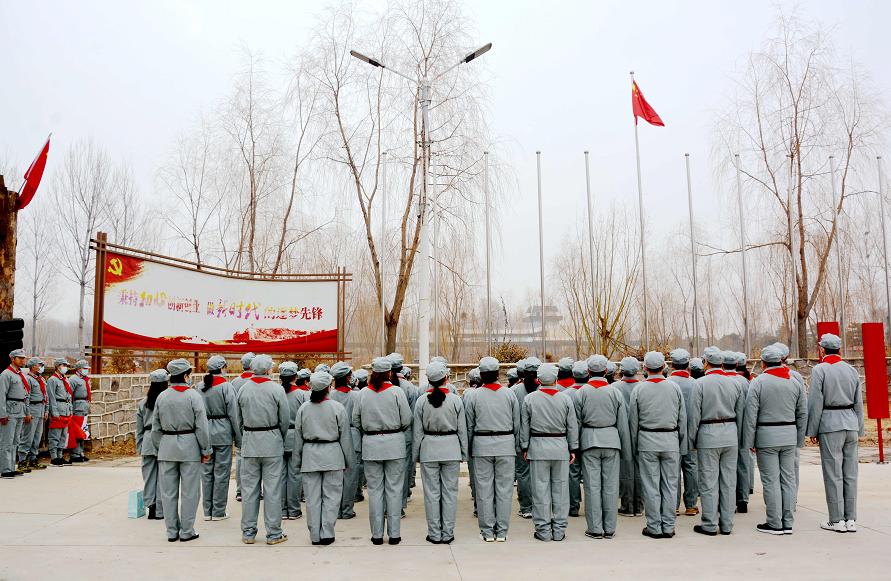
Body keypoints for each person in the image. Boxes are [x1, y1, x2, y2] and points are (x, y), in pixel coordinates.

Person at [742, 343, 807, 535]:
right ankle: (788, 522)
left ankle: (774, 522)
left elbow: (750, 415)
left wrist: (749, 441)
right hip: (789, 436)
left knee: (771, 481)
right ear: (781, 361)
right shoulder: (795, 382)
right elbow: (803, 413)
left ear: (763, 363)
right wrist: (799, 438)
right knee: (788, 479)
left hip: (766, 437)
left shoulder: (758, 383)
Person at [807, 333, 864, 533]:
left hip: (830, 424)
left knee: (833, 473)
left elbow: (815, 402)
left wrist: (812, 429)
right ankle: (851, 519)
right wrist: (860, 427)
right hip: (851, 424)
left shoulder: (820, 370)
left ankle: (836, 520)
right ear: (839, 349)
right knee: (851, 473)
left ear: (822, 349)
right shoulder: (851, 370)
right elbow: (859, 402)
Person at [352, 357, 412, 545]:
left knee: (375, 491)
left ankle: (377, 534)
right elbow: (406, 419)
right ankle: (394, 534)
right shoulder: (397, 392)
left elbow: (356, 420)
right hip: (394, 444)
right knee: (394, 489)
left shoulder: (362, 394)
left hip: (371, 445)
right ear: (390, 373)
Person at [151, 359, 211, 542]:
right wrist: (205, 449)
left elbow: (155, 427)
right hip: (189, 447)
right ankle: (186, 530)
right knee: (190, 491)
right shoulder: (193, 396)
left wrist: (159, 448)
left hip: (167, 446)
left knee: (168, 492)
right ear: (186, 376)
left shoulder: (162, 396)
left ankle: (171, 532)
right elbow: (201, 426)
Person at [629, 351, 688, 539]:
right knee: (671, 484)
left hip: (647, 441)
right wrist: (681, 443)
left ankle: (654, 526)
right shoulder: (674, 388)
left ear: (644, 368)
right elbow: (682, 419)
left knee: (651, 485)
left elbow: (633, 422)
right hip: (670, 440)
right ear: (664, 367)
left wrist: (634, 446)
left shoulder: (639, 389)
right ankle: (668, 526)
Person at [292, 370, 353, 546]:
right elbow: (345, 438)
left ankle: (314, 535)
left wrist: (297, 462)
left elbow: (298, 438)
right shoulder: (337, 408)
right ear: (329, 387)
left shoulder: (304, 409)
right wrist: (349, 461)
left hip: (310, 456)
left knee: (312, 498)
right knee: (332, 496)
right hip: (333, 455)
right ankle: (327, 532)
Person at [689, 347, 744, 536]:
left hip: (708, 434)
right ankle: (727, 524)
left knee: (708, 481)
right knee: (729, 481)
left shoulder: (700, 384)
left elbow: (694, 415)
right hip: (730, 434)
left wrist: (692, 439)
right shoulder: (735, 384)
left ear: (705, 362)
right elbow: (741, 413)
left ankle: (710, 524)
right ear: (722, 362)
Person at [520, 363, 579, 542]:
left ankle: (543, 530)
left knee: (540, 490)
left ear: (539, 379)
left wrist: (524, 446)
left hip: (538, 447)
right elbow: (572, 426)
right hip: (560, 446)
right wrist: (573, 447)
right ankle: (559, 530)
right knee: (561, 489)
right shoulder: (565, 399)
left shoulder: (530, 399)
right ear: (555, 379)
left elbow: (525, 426)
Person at [465, 355, 521, 542]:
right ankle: (502, 531)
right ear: (498, 373)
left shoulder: (473, 396)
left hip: (482, 446)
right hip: (506, 445)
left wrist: (470, 448)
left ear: (481, 374)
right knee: (504, 490)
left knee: (484, 490)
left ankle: (487, 531)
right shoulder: (509, 394)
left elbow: (470, 425)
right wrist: (516, 445)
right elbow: (517, 423)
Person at [236, 354, 290, 545]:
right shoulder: (276, 390)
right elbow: (284, 419)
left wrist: (244, 438)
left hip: (250, 442)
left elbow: (238, 420)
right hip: (272, 442)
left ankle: (248, 532)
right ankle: (274, 533)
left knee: (249, 490)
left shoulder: (243, 390)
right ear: (268, 370)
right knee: (272, 490)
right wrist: (278, 438)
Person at [413, 360, 468, 544]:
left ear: (428, 379)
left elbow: (417, 432)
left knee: (432, 494)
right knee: (450, 493)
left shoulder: (421, 401)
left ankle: (434, 533)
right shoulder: (455, 400)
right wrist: (463, 453)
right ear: (446, 378)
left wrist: (416, 455)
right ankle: (448, 533)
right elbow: (462, 430)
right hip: (451, 448)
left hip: (429, 449)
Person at [575, 355, 630, 539]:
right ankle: (610, 528)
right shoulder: (615, 392)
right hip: (612, 440)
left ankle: (595, 528)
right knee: (610, 486)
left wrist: (574, 446)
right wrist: (626, 450)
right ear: (606, 371)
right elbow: (623, 423)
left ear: (588, 371)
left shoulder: (581, 392)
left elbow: (576, 422)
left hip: (590, 440)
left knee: (592, 486)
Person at [199, 355, 240, 522]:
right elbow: (234, 415)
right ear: (222, 367)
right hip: (223, 433)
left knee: (206, 473)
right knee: (222, 473)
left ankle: (207, 511)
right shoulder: (226, 387)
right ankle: (218, 511)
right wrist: (239, 437)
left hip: (205, 433)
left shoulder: (199, 387)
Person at [668, 348, 699, 517]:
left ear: (672, 364)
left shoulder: (667, 383)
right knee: (691, 468)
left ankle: (673, 505)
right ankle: (691, 504)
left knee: (672, 470)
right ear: (688, 364)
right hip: (691, 432)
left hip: (671, 432)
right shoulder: (695, 383)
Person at [136, 369, 169, 520]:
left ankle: (151, 506)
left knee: (149, 476)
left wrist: (139, 446)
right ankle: (161, 509)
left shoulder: (143, 403)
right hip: (164, 438)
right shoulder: (166, 400)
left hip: (148, 441)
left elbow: (139, 428)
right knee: (164, 475)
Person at [511, 356, 541, 520]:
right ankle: (541, 506)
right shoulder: (544, 389)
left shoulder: (514, 391)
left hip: (520, 440)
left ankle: (526, 507)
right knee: (541, 475)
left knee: (523, 474)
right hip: (540, 439)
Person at [329, 361, 360, 519]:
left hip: (333, 438)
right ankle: (347, 509)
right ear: (348, 378)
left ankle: (334, 509)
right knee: (350, 476)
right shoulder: (357, 395)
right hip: (353, 436)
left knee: (334, 476)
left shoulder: (329, 396)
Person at [723, 350, 752, 514]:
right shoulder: (743, 382)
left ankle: (726, 499)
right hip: (741, 427)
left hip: (725, 428)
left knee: (725, 467)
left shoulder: (719, 380)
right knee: (742, 463)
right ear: (736, 364)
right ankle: (742, 499)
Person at [388, 352, 418, 510]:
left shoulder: (380, 388)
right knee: (404, 469)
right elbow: (412, 415)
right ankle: (402, 500)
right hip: (405, 434)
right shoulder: (410, 388)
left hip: (383, 435)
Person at [615, 356, 643, 516]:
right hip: (642, 431)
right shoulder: (643, 387)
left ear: (621, 370)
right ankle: (639, 505)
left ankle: (627, 505)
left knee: (625, 468)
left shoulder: (615, 387)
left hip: (621, 432)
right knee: (639, 469)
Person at [563, 359, 591, 518]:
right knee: (590, 474)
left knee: (572, 474)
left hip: (571, 440)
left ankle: (573, 506)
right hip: (590, 438)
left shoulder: (566, 394)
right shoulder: (594, 391)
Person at [280, 361, 307, 521]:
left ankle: (282, 509)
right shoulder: (302, 395)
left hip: (280, 436)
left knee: (281, 475)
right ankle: (294, 509)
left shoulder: (278, 393)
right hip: (296, 436)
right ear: (295, 377)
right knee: (295, 474)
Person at [0, 349, 30, 478]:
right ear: (12, 359)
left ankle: (11, 466)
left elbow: (25, 395)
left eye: (24, 358)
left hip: (19, 411)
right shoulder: (6, 374)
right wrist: (2, 414)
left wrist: (26, 412)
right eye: (20, 358)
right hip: (10, 410)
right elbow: (1, 395)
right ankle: (5, 469)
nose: (23, 360)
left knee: (15, 441)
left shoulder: (19, 374)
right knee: (7, 441)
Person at [231, 352, 255, 502]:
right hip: (259, 427)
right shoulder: (260, 382)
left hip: (241, 425)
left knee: (240, 459)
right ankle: (255, 490)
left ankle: (240, 490)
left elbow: (234, 408)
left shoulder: (235, 382)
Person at [18, 357, 47, 471]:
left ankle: (33, 459)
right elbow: (26, 397)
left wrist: (46, 410)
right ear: (32, 366)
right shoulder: (28, 379)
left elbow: (46, 396)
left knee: (37, 437)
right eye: (39, 365)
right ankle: (22, 460)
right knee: (27, 437)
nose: (41, 367)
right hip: (32, 409)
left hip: (40, 408)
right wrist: (27, 412)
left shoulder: (41, 379)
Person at [46, 358, 73, 466]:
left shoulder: (65, 379)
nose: (65, 367)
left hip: (65, 409)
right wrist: (54, 412)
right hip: (58, 408)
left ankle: (60, 455)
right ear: (58, 366)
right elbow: (51, 397)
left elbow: (69, 395)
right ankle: (54, 457)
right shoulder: (52, 380)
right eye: (64, 365)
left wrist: (70, 409)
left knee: (63, 435)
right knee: (55, 435)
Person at [68, 360, 91, 463]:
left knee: (83, 431)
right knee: (76, 431)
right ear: (78, 369)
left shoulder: (85, 379)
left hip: (84, 407)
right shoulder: (73, 379)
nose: (86, 370)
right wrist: (70, 409)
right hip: (77, 407)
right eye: (84, 368)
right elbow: (70, 395)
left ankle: (81, 452)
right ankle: (75, 453)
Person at [352, 368, 368, 500]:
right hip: (357, 434)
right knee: (358, 465)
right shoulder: (361, 395)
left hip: (335, 435)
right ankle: (357, 491)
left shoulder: (331, 396)